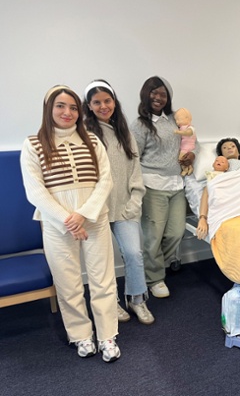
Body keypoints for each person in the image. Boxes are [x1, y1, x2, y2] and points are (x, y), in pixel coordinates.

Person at [20, 85, 120, 362]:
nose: (67, 112)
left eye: (73, 107)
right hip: (56, 224)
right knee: (68, 283)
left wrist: (83, 215)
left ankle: (107, 335)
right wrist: (68, 219)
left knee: (102, 280)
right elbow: (35, 191)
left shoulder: (92, 140)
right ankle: (81, 335)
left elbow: (106, 181)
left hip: (94, 220)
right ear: (49, 109)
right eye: (60, 106)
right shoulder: (34, 144)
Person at [83, 80, 155, 325]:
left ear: (114, 102)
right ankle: (109, 300)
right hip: (97, 211)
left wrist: (134, 202)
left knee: (134, 254)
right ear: (89, 106)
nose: (103, 106)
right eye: (97, 102)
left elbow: (135, 170)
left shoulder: (125, 132)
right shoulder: (84, 134)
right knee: (102, 262)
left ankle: (137, 299)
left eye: (107, 100)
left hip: (125, 207)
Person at [130, 76, 195, 299]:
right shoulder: (139, 124)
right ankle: (155, 278)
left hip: (176, 184)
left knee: (176, 232)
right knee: (153, 236)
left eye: (163, 94)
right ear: (145, 94)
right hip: (152, 185)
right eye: (154, 93)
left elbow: (187, 140)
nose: (158, 97)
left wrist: (191, 155)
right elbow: (134, 158)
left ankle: (152, 265)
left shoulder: (173, 119)